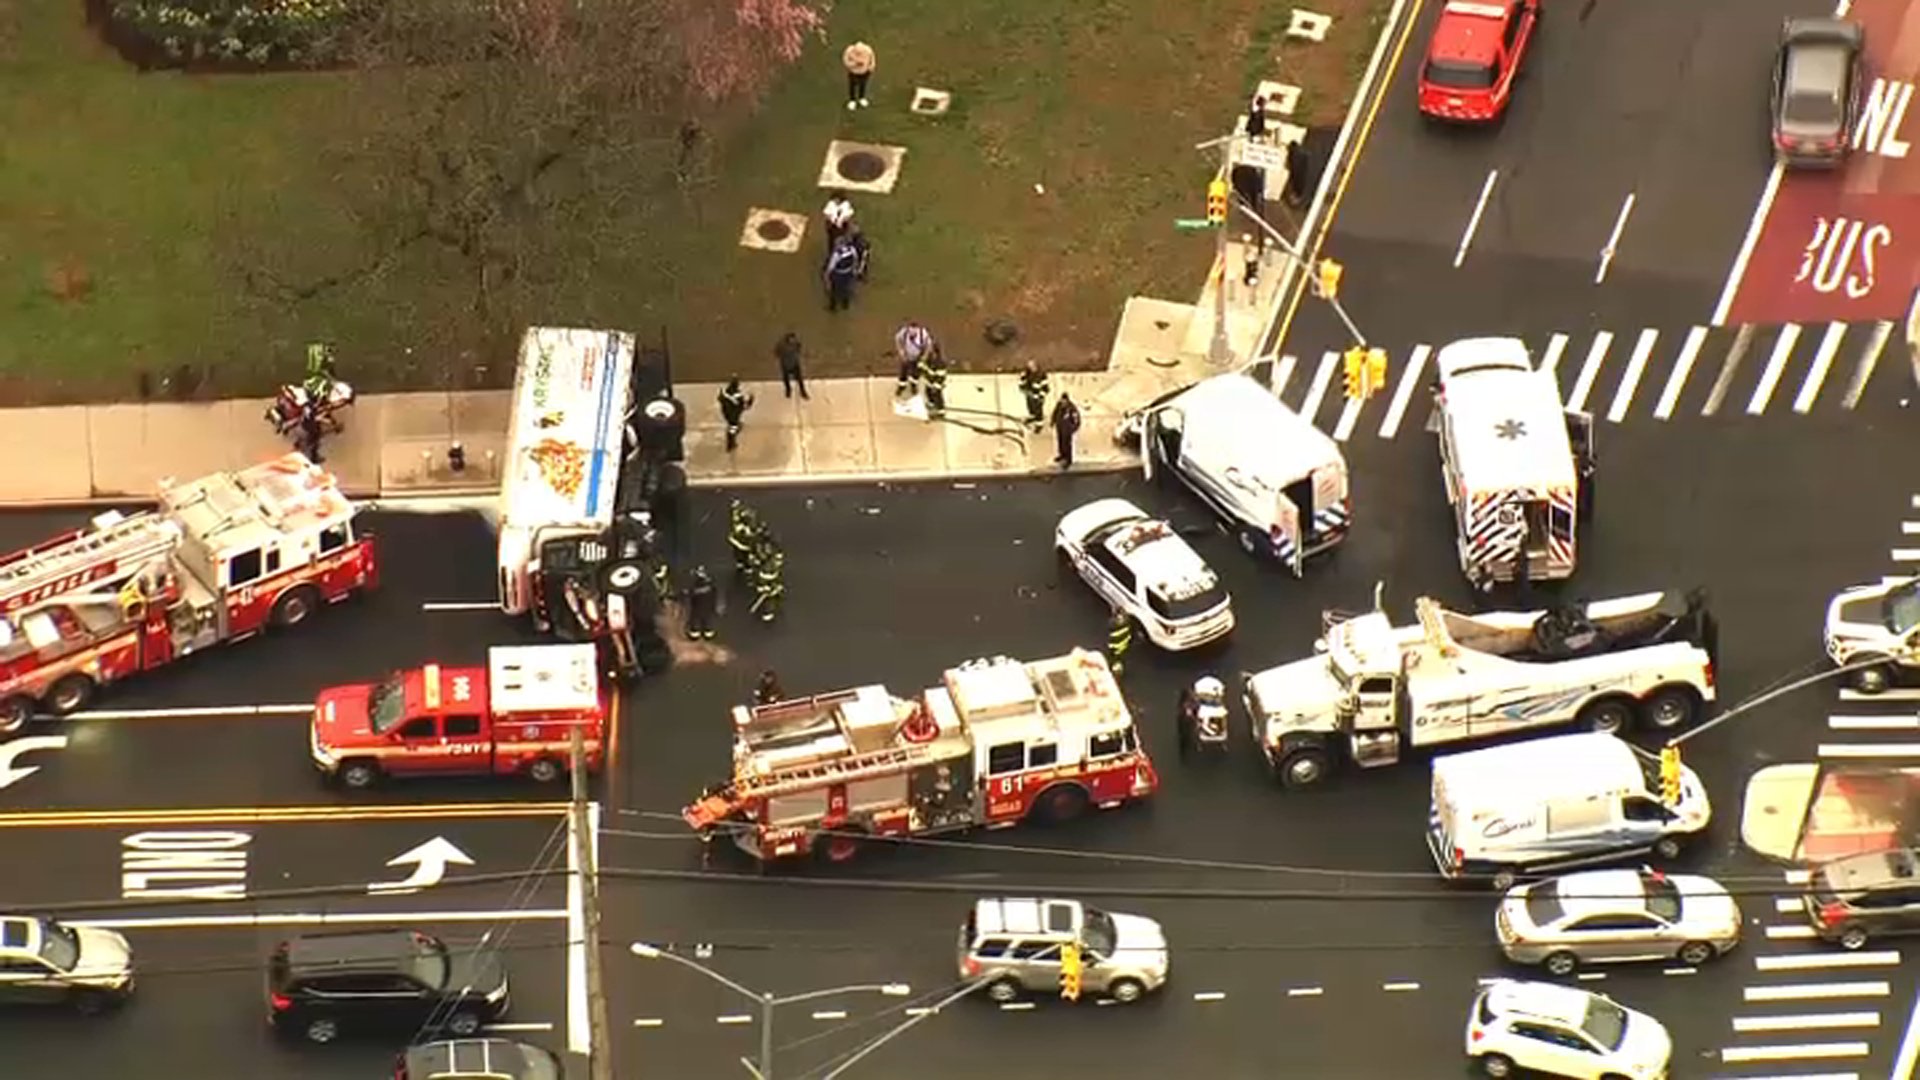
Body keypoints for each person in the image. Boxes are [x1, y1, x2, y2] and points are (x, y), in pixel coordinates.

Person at [894, 320, 934, 396]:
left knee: (916, 373)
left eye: (914, 332)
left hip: (917, 358)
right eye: (910, 331)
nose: (912, 333)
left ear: (917, 330)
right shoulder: (904, 332)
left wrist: (924, 357)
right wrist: (901, 351)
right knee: (903, 372)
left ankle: (913, 386)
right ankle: (902, 386)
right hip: (906, 357)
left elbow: (929, 345)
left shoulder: (923, 334)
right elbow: (897, 339)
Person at [750, 543, 786, 623]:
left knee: (771, 598)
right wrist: (764, 587)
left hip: (771, 585)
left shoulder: (773, 566)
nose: (779, 562)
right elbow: (761, 577)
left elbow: (777, 576)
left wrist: (777, 586)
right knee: (769, 599)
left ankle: (770, 609)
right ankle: (767, 611)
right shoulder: (767, 567)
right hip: (766, 584)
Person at [718, 377, 754, 452]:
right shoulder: (738, 396)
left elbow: (720, 398)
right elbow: (745, 406)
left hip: (726, 413)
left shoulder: (725, 392)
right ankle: (730, 444)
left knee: (732, 426)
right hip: (734, 415)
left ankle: (731, 441)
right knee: (734, 428)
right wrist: (751, 400)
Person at [825, 238, 860, 312]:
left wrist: (827, 274)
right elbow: (855, 260)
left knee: (834, 290)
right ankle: (845, 305)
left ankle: (833, 307)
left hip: (838, 274)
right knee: (846, 288)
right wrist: (854, 270)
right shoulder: (852, 249)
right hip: (848, 272)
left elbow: (831, 266)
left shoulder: (837, 254)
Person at [727, 500, 761, 577]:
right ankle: (742, 564)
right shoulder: (740, 527)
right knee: (740, 554)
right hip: (741, 544)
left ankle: (744, 564)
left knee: (743, 554)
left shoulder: (746, 527)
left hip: (743, 544)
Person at [684, 567, 718, 641]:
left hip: (697, 609)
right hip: (708, 609)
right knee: (707, 618)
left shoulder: (694, 588)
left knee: (696, 619)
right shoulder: (711, 587)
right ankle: (707, 631)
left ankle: (695, 631)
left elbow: (689, 596)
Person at [1051, 393, 1081, 469]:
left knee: (1067, 444)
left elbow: (1076, 419)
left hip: (1067, 429)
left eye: (1064, 400)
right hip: (1060, 427)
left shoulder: (1071, 408)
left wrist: (1074, 428)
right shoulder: (1059, 405)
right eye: (1062, 400)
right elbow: (1054, 413)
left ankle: (1068, 459)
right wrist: (1053, 422)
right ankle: (1062, 455)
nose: (1063, 402)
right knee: (1060, 442)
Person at [774, 332, 808, 400]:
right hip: (786, 365)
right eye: (792, 339)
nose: (793, 341)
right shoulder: (782, 346)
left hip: (794, 364)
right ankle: (788, 390)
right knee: (786, 380)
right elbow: (777, 353)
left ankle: (802, 391)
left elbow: (799, 350)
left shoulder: (796, 344)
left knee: (800, 379)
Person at [842, 41, 876, 110]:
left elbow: (872, 59)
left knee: (863, 84)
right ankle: (852, 100)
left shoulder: (868, 50)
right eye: (857, 53)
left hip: (865, 72)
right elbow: (846, 61)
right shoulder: (849, 51)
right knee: (852, 86)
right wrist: (854, 64)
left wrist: (871, 67)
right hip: (853, 72)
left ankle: (861, 98)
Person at [1018, 360, 1050, 429]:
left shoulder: (1041, 375)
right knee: (1030, 407)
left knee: (1038, 409)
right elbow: (1022, 383)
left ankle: (1039, 425)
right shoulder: (1026, 373)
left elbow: (1045, 387)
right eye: (1030, 366)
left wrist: (1041, 396)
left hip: (1038, 395)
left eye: (1032, 366)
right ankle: (1032, 418)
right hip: (1030, 395)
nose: (1031, 368)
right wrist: (1024, 389)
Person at [921, 345, 948, 415]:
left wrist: (937, 384)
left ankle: (940, 410)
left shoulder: (939, 362)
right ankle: (932, 405)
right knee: (928, 392)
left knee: (937, 394)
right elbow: (926, 370)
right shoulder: (929, 361)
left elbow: (941, 375)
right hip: (930, 381)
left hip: (937, 382)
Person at [1106, 608, 1132, 678]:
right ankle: (1118, 670)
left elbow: (1112, 635)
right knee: (1119, 659)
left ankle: (1115, 672)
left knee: (1115, 659)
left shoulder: (1114, 625)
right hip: (1123, 646)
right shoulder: (1126, 624)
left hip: (1116, 648)